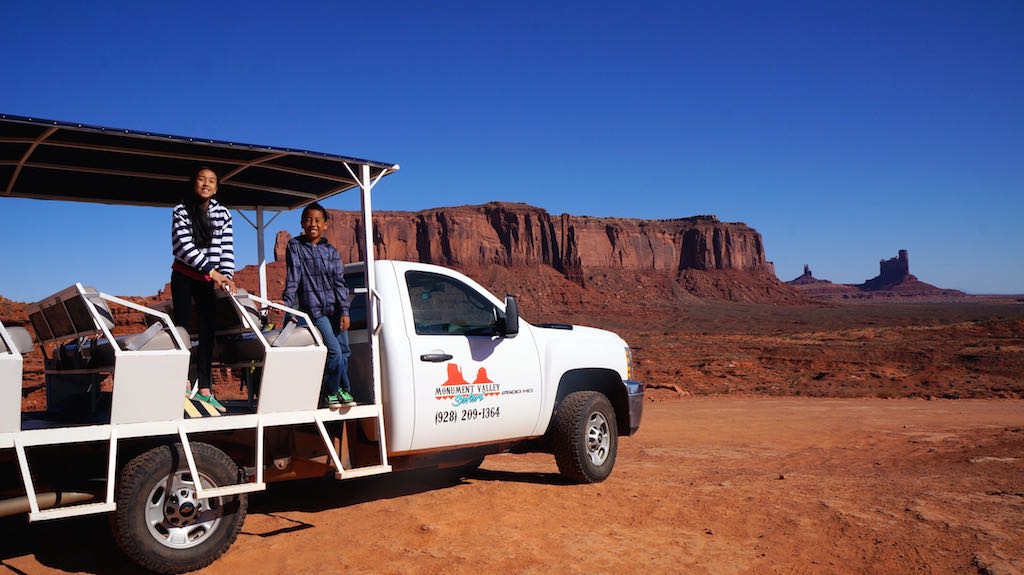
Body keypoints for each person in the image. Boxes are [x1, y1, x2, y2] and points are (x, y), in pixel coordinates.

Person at [171, 167, 236, 413]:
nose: (206, 184)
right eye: (201, 179)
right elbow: (184, 247)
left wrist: (226, 276)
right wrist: (212, 271)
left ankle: (206, 389)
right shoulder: (181, 210)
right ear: (193, 183)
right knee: (184, 331)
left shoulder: (223, 214)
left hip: (208, 280)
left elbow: (227, 248)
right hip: (185, 276)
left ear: (216, 187)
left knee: (208, 333)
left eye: (211, 181)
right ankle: (184, 382)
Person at [281, 202, 355, 407]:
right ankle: (332, 391)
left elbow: (340, 282)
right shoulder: (295, 246)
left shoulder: (330, 251)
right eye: (308, 220)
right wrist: (287, 306)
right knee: (334, 352)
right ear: (302, 223)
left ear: (325, 225)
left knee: (344, 351)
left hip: (336, 310)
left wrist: (345, 311)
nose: (312, 223)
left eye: (317, 220)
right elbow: (293, 278)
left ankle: (341, 389)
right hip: (316, 311)